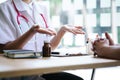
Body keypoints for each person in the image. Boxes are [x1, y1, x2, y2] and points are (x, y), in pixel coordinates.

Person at [0, 0, 85, 80]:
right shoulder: (4, 8)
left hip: (41, 69)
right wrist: (31, 32)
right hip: (18, 73)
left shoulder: (41, 8)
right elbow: (4, 50)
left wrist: (61, 31)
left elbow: (49, 47)